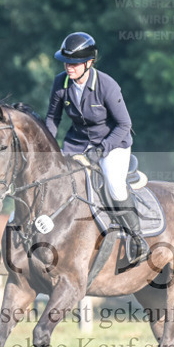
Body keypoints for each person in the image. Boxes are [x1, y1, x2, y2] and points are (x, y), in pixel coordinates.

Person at [44, 31, 149, 264]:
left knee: (114, 185)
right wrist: (48, 149)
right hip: (77, 144)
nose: (68, 67)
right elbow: (53, 119)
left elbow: (125, 124)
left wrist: (103, 149)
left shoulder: (107, 85)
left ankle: (138, 238)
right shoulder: (60, 83)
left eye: (74, 63)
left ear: (89, 63)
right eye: (66, 62)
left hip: (113, 144)